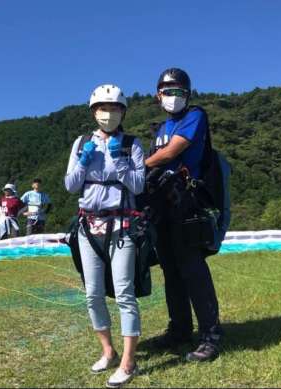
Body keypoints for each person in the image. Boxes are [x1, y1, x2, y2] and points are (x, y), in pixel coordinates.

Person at [64, 84, 145, 387]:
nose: (107, 113)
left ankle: (129, 361)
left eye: (113, 108)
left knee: (125, 292)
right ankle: (108, 351)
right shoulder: (82, 142)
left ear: (122, 112)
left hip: (121, 225)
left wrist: (121, 164)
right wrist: (84, 162)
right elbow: (71, 185)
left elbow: (138, 186)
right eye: (102, 108)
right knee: (92, 293)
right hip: (88, 227)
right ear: (93, 111)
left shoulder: (131, 144)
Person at [144, 68, 223, 362]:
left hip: (187, 203)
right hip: (163, 206)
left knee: (193, 269)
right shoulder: (161, 128)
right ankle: (179, 330)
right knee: (171, 270)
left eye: (178, 91)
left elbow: (170, 153)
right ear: (158, 95)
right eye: (167, 91)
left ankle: (211, 335)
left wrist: (137, 166)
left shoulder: (195, 116)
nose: (172, 97)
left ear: (187, 94)